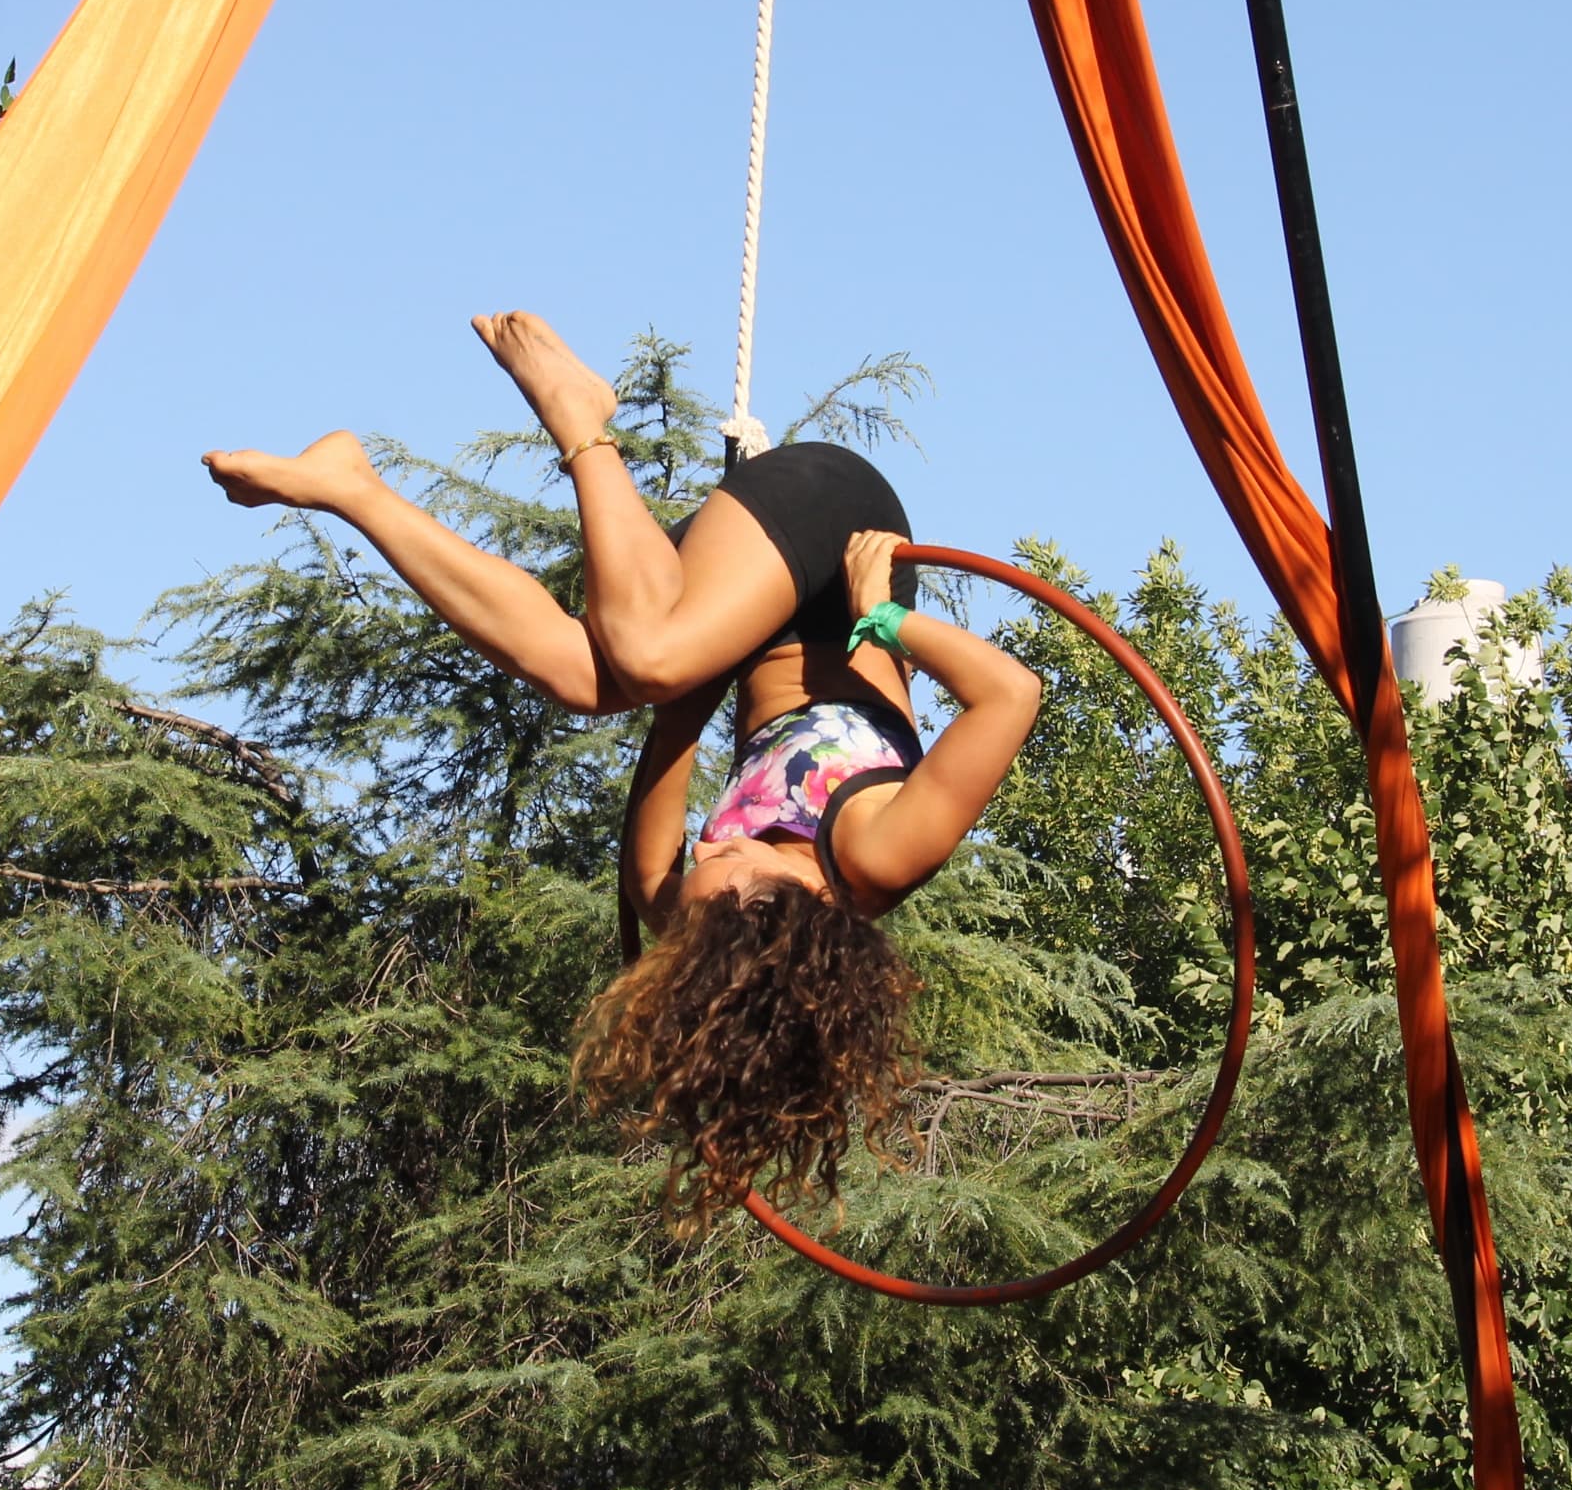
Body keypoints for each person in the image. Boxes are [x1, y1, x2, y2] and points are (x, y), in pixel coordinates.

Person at [203, 313, 1041, 1214]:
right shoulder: (880, 852)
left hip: (727, 622)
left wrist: (688, 683)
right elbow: (1009, 695)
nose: (707, 857)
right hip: (838, 546)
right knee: (645, 659)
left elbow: (656, 825)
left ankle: (350, 487)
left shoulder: (703, 905)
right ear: (782, 915)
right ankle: (579, 418)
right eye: (722, 873)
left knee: (584, 672)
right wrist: (884, 617)